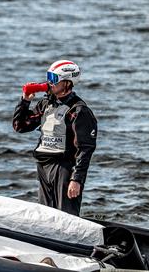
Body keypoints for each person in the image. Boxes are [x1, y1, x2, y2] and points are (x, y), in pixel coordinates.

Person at [13, 60, 98, 216]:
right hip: (43, 165)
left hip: (64, 168)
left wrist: (76, 179)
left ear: (66, 83)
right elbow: (20, 126)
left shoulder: (78, 110)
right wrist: (25, 101)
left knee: (66, 216)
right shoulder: (46, 104)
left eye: (53, 78)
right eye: (48, 77)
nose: (49, 83)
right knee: (46, 215)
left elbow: (86, 148)